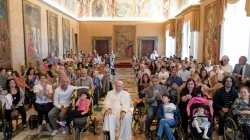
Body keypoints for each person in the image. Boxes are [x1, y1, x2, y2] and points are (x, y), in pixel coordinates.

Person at [213, 76, 238, 140]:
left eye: (230, 81)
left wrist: (231, 109)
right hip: (219, 108)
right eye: (227, 81)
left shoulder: (235, 92)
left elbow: (236, 103)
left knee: (235, 115)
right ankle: (220, 133)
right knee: (222, 115)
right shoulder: (219, 91)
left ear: (232, 83)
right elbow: (215, 103)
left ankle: (229, 130)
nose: (228, 82)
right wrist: (222, 108)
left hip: (230, 108)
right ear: (224, 82)